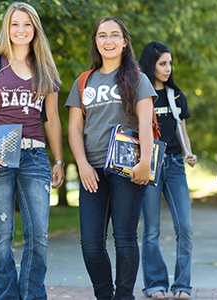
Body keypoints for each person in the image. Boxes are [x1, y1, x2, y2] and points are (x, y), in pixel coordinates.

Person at [0, 2, 64, 299]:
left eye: (26, 24)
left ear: (35, 29)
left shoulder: (46, 69)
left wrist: (59, 160)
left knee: (39, 234)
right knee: (1, 235)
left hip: (35, 154)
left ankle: (32, 295)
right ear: (6, 29)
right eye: (15, 24)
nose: (21, 30)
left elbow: (51, 119)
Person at [65, 17, 157, 300]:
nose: (108, 40)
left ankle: (124, 296)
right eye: (102, 35)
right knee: (91, 244)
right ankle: (105, 295)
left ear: (125, 41)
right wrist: (81, 165)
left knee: (125, 239)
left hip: (127, 168)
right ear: (96, 41)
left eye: (115, 35)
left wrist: (145, 162)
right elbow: (74, 127)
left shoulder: (137, 78)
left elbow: (145, 122)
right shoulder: (83, 80)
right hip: (91, 168)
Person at [137, 41, 196, 300]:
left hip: (173, 164)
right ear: (151, 64)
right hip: (149, 165)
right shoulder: (139, 94)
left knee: (185, 227)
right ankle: (155, 285)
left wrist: (188, 153)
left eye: (170, 63)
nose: (168, 68)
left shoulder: (176, 96)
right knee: (151, 230)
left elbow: (182, 130)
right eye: (163, 63)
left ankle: (182, 285)